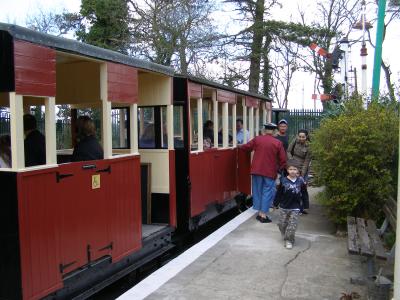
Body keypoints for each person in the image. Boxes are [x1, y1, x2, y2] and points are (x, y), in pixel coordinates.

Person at [240, 122, 286, 223]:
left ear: (264, 130)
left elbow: (246, 148)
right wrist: (279, 170)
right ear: (274, 131)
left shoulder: (257, 139)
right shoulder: (278, 143)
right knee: (267, 192)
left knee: (257, 191)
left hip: (256, 170)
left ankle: (259, 212)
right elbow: (283, 159)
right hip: (270, 172)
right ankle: (263, 215)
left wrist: (238, 145)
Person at [273, 160, 307, 249]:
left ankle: (289, 240)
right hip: (284, 206)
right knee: (281, 224)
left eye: (295, 169)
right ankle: (285, 234)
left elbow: (304, 193)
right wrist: (275, 203)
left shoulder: (300, 181)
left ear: (298, 171)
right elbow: (279, 193)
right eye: (290, 169)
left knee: (292, 225)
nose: (292, 171)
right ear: (287, 170)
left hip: (295, 207)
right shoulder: (283, 180)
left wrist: (305, 205)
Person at [287, 129, 311, 214]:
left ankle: (304, 207)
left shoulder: (309, 146)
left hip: (302, 167)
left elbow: (306, 162)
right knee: (292, 187)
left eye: (303, 137)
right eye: (300, 136)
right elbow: (288, 151)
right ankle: (293, 206)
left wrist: (302, 174)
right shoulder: (294, 141)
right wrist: (291, 160)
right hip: (293, 165)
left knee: (302, 188)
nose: (301, 138)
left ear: (306, 137)